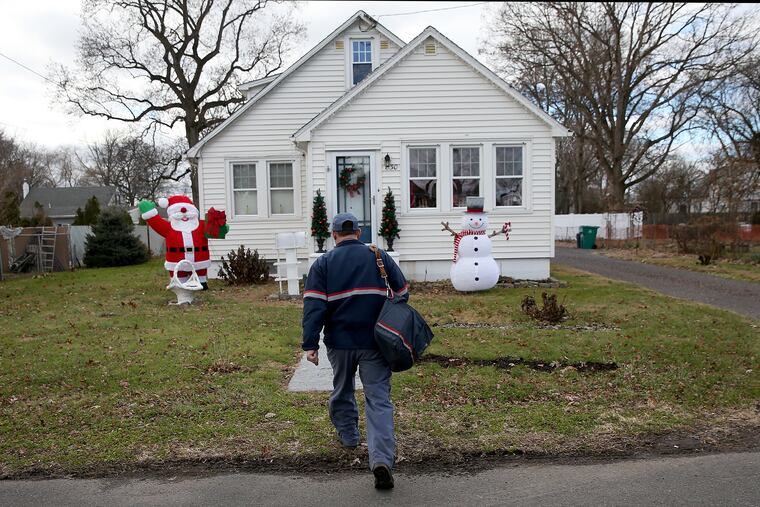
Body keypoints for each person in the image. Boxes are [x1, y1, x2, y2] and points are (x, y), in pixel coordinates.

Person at [302, 212, 408, 490]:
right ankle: (382, 460)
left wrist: (310, 345)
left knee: (342, 387)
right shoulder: (379, 255)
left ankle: (349, 436)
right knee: (379, 400)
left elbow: (314, 307)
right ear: (359, 233)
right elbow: (403, 291)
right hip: (376, 342)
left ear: (334, 235)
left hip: (339, 343)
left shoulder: (323, 263)